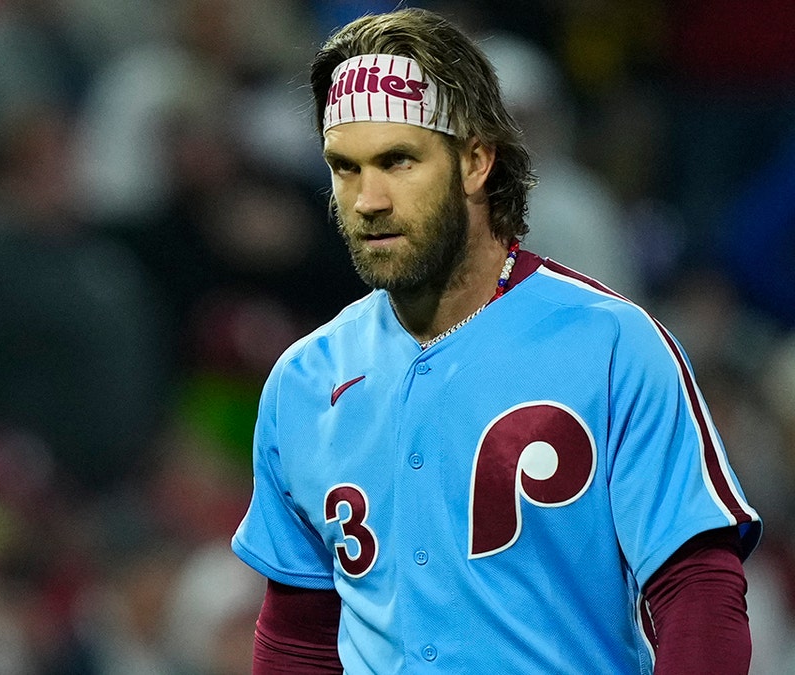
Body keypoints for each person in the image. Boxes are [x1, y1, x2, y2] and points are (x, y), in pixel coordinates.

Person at [230, 8, 761, 673]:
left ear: (477, 160)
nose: (367, 199)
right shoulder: (304, 379)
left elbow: (698, 587)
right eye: (345, 167)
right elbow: (299, 633)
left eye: (398, 160)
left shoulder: (611, 344)